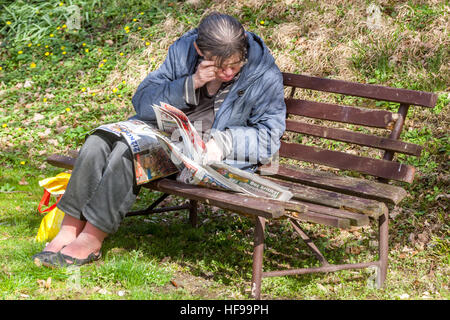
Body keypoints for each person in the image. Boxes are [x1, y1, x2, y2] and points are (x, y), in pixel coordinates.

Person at [32, 12, 286, 267]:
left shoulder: (263, 74)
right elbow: (142, 101)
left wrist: (222, 144)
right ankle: (69, 227)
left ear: (244, 49)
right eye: (219, 66)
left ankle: (92, 237)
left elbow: (269, 135)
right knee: (98, 140)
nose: (228, 72)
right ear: (199, 50)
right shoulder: (184, 52)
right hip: (167, 135)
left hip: (207, 154)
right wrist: (192, 82)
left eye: (235, 64)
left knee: (127, 152)